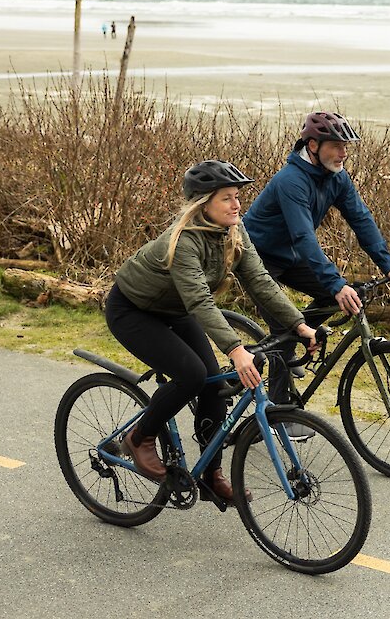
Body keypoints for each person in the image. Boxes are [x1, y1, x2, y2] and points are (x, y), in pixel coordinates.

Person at [105, 159, 318, 504]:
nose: (237, 204)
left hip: (175, 310)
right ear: (203, 204)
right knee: (190, 374)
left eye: (237, 196)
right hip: (133, 310)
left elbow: (260, 282)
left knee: (214, 384)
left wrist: (300, 325)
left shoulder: (235, 230)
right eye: (227, 198)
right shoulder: (185, 240)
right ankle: (140, 438)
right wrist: (235, 349)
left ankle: (210, 474)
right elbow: (201, 302)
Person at [242, 111, 390, 416]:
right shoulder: (290, 181)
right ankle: (279, 412)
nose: (343, 152)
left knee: (321, 302)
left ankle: (296, 341)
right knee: (284, 325)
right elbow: (304, 236)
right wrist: (336, 284)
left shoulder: (336, 177)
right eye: (336, 145)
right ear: (313, 145)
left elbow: (361, 219)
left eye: (346, 145)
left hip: (290, 256)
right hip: (257, 258)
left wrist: (389, 266)